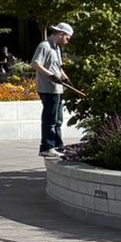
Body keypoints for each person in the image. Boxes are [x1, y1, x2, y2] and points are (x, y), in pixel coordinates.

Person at [31, 22, 78, 158]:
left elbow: (57, 67)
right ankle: (47, 146)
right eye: (67, 38)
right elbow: (35, 64)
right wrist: (50, 75)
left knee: (58, 119)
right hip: (47, 88)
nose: (67, 42)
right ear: (60, 34)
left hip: (57, 89)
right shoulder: (44, 46)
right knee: (50, 119)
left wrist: (64, 77)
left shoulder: (57, 48)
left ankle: (58, 145)